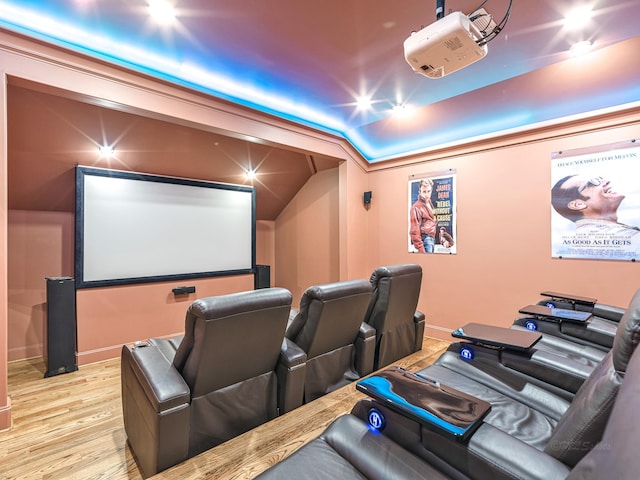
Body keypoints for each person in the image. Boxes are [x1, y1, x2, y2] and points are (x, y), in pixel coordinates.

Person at [551, 174, 640, 251]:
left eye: (599, 178)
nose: (606, 181)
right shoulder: (615, 236)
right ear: (578, 204)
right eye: (592, 182)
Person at [409, 179, 436, 253]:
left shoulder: (429, 203)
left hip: (431, 239)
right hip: (425, 240)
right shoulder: (416, 207)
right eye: (424, 192)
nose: (427, 194)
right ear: (419, 192)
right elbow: (414, 231)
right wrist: (421, 249)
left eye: (428, 191)